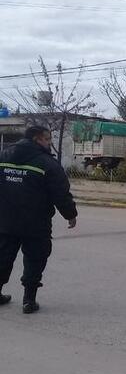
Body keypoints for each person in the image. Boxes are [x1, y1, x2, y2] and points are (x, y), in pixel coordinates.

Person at [0, 126, 77, 314]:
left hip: (5, 220)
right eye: (47, 139)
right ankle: (29, 300)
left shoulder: (3, 156)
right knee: (35, 259)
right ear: (37, 139)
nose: (49, 143)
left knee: (2, 256)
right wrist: (70, 214)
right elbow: (60, 193)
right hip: (36, 223)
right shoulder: (47, 163)